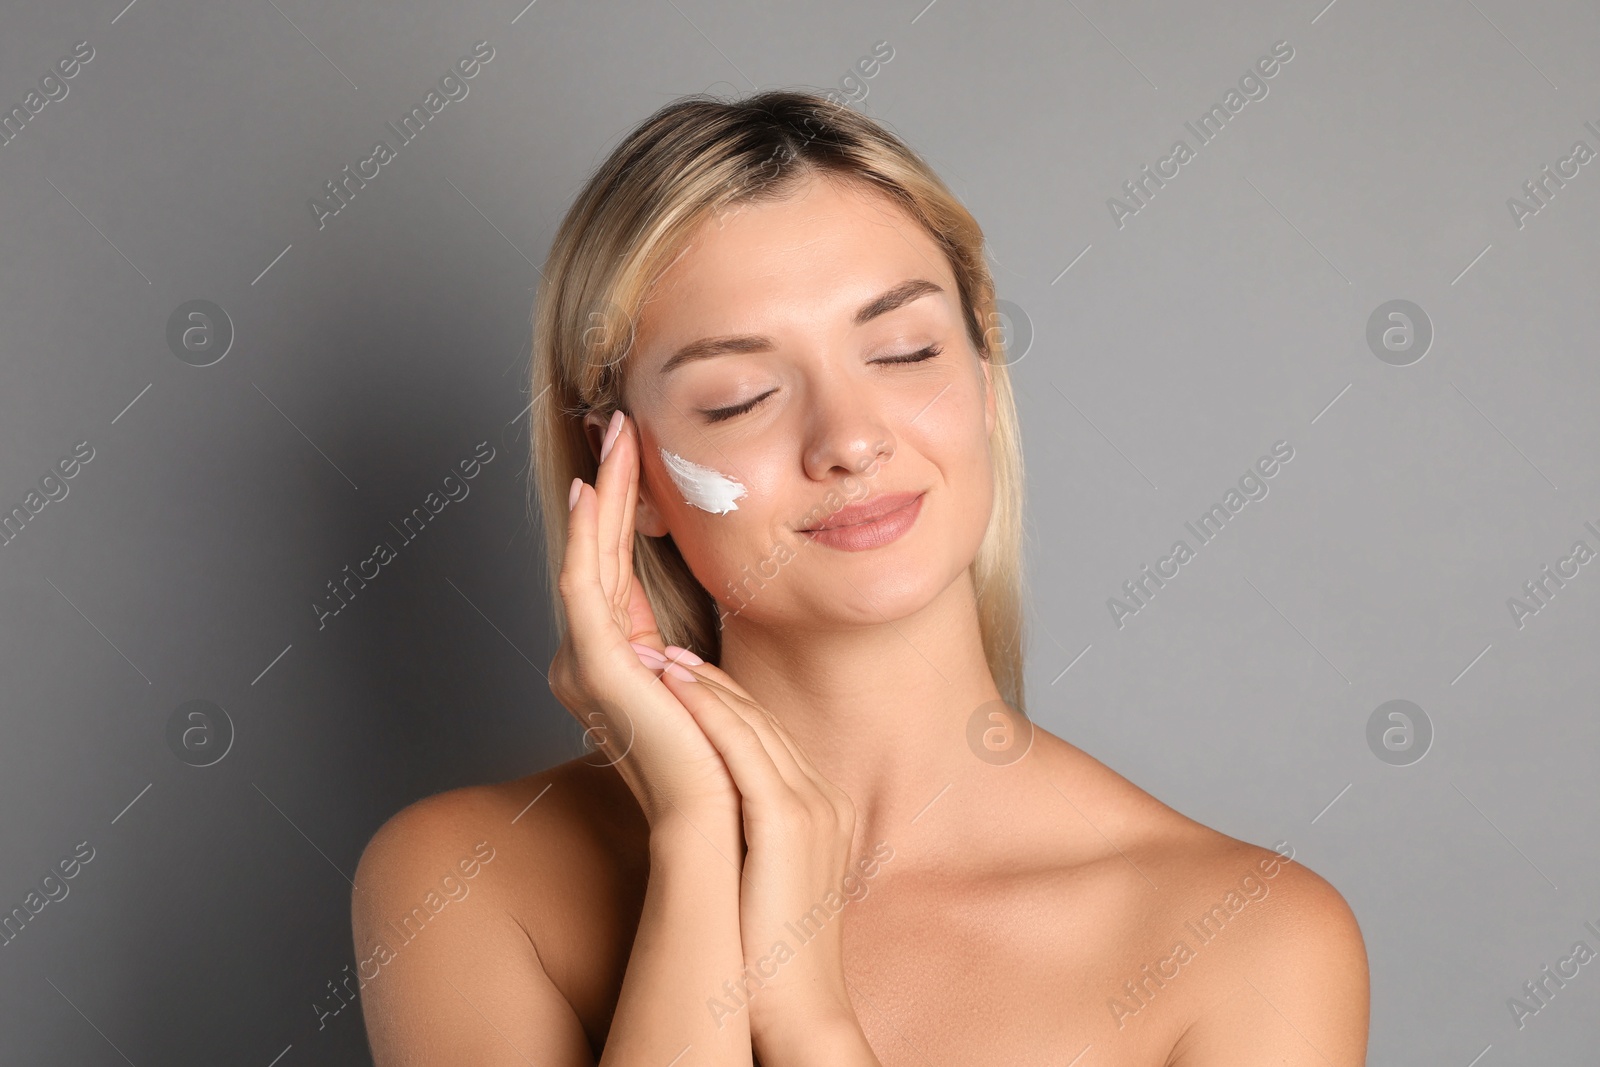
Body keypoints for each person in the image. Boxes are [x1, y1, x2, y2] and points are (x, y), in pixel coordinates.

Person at [351, 89, 1369, 1065]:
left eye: (902, 349)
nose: (848, 439)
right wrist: (700, 843)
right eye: (741, 395)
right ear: (631, 476)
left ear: (979, 375)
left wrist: (809, 1019)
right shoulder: (462, 877)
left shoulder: (1253, 939)